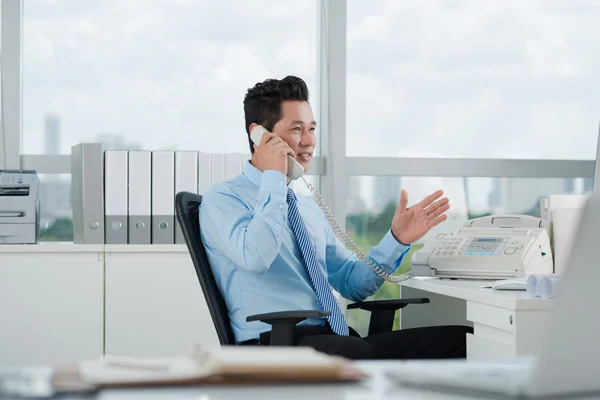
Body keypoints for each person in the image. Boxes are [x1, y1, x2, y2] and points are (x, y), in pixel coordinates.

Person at [199, 75, 472, 360]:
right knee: (356, 354)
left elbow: (352, 284)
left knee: (462, 341)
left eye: (312, 129)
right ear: (260, 136)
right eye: (296, 129)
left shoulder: (306, 207)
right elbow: (256, 256)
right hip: (274, 346)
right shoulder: (223, 200)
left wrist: (396, 239)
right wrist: (274, 178)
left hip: (334, 340)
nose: (308, 142)